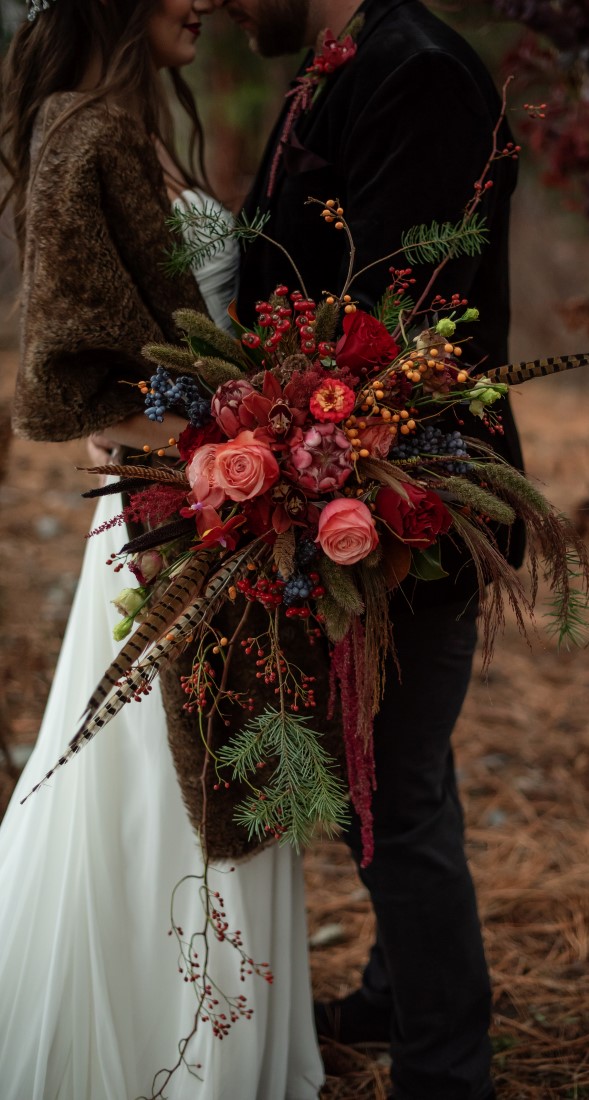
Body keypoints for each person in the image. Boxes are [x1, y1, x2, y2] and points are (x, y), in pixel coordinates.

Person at [0, 1, 324, 1097]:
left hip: (218, 505)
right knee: (159, 780)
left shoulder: (133, 131)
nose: (208, 1)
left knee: (219, 756)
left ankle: (221, 1040)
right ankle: (156, 1049)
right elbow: (78, 385)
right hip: (165, 516)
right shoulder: (81, 133)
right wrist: (242, 438)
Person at [223, 1, 526, 1098]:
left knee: (391, 792)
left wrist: (293, 459)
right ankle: (402, 996)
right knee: (392, 775)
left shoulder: (419, 72)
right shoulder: (345, 62)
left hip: (407, 499)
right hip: (350, 487)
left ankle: (446, 1068)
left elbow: (395, 324)